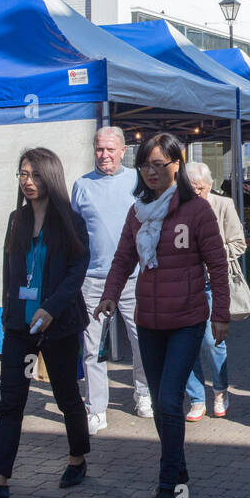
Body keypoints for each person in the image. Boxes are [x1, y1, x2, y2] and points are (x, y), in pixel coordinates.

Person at [95, 133, 230, 498]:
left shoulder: (196, 210)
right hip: (149, 321)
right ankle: (179, 467)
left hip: (187, 320)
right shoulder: (137, 211)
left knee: (170, 400)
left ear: (177, 166)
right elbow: (123, 259)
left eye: (159, 164)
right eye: (145, 165)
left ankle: (168, 485)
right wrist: (109, 294)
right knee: (160, 404)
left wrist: (220, 313)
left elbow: (217, 264)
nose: (151, 172)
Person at [0, 148, 91, 498]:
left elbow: (76, 272)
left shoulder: (69, 221)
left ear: (50, 176)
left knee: (66, 397)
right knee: (11, 400)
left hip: (58, 325)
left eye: (34, 175)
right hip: (20, 328)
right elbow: (10, 273)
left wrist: (51, 309)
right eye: (22, 175)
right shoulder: (16, 220)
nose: (28, 181)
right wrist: (9, 314)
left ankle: (77, 458)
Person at [72, 127, 152, 433]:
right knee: (94, 348)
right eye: (99, 149)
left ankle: (143, 393)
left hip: (134, 278)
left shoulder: (138, 181)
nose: (104, 155)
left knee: (142, 341)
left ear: (122, 150)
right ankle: (95, 409)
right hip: (93, 281)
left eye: (110, 149)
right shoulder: (81, 186)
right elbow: (76, 233)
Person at [183, 162, 245, 420]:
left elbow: (239, 244)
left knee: (212, 341)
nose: (197, 193)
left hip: (211, 282)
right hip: (185, 285)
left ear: (210, 185)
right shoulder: (179, 207)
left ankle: (220, 390)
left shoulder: (224, 205)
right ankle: (197, 398)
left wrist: (214, 253)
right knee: (185, 345)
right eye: (192, 188)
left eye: (201, 188)